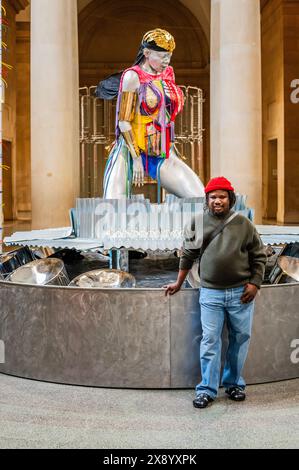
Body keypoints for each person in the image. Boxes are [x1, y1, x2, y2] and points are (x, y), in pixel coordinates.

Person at [164, 176, 266, 409]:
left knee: (240, 339)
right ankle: (207, 389)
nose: (217, 201)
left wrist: (255, 283)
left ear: (230, 199)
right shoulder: (196, 223)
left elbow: (258, 256)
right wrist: (178, 283)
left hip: (241, 293)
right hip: (210, 293)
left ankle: (234, 384)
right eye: (213, 197)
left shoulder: (244, 224)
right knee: (210, 341)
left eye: (222, 196)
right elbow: (187, 255)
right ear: (206, 200)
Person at [97, 28, 204, 199]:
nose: (166, 61)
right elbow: (123, 121)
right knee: (114, 207)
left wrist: (171, 147)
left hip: (160, 151)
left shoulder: (168, 74)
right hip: (131, 151)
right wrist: (137, 159)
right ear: (146, 52)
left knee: (197, 196)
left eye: (169, 56)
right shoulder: (132, 77)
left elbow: (166, 114)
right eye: (162, 56)